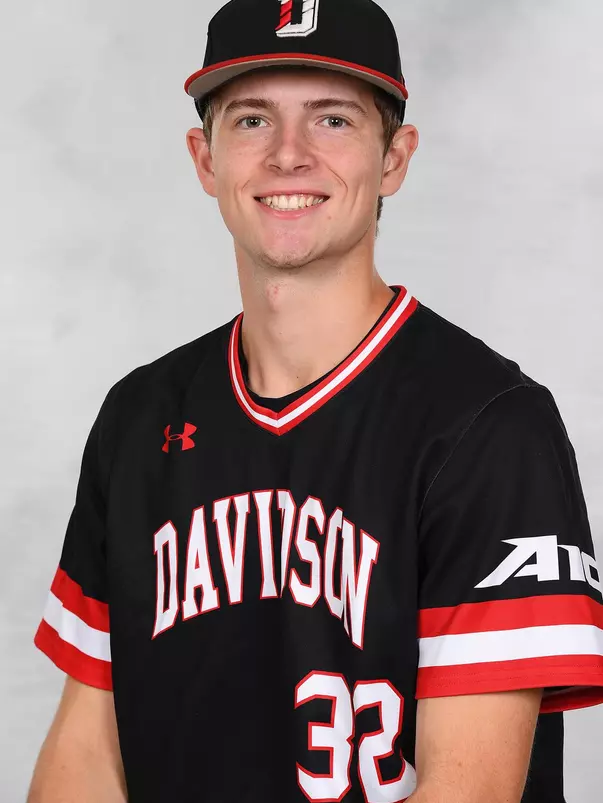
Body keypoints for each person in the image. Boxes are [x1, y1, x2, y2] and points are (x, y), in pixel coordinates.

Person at [27, 1, 603, 802]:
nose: (287, 156)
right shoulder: (138, 416)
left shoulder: (490, 426)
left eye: (331, 120)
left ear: (394, 158)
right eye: (252, 119)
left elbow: (467, 792)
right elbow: (84, 756)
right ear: (205, 158)